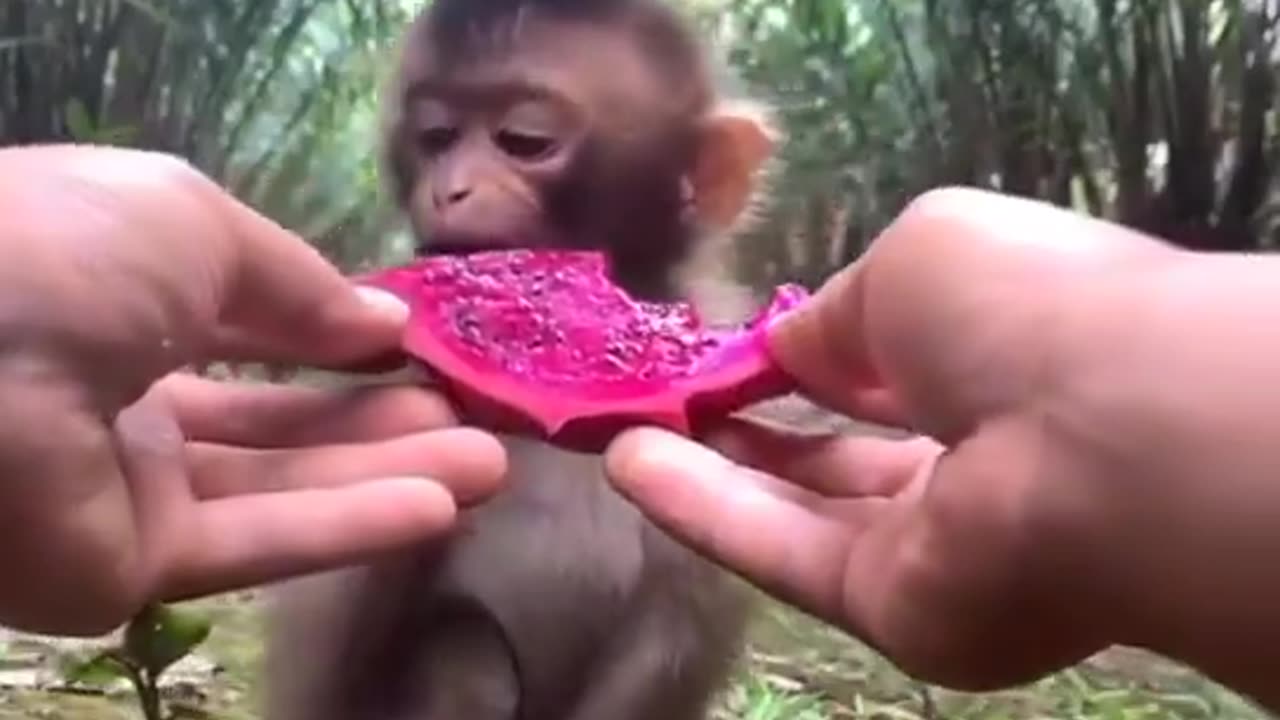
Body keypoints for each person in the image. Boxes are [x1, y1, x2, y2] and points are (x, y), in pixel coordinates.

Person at [1, 144, 1277, 712]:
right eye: (435, 141)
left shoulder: (760, 374)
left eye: (527, 142)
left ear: (704, 177)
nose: (452, 184)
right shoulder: (387, 395)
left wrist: (1113, 415)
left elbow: (680, 653)